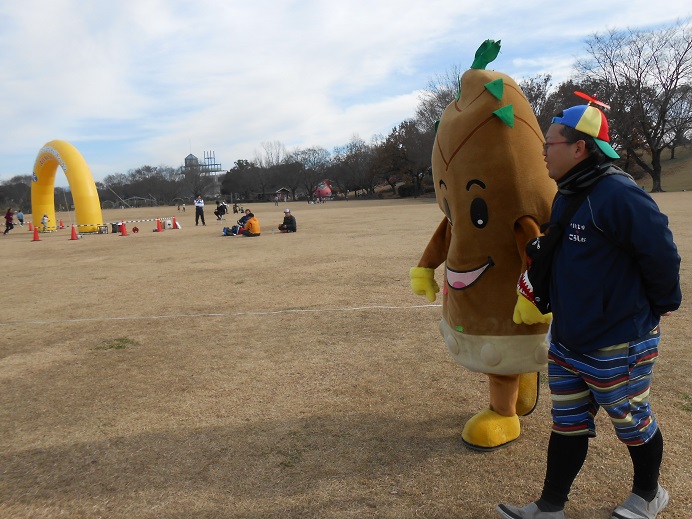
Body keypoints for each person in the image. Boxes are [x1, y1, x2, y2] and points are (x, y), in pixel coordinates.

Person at [498, 103, 682, 519]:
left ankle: (649, 495)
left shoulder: (619, 195)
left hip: (617, 340)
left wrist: (660, 306)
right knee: (567, 423)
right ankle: (549, 508)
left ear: (579, 148)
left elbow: (662, 257)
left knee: (632, 422)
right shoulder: (569, 191)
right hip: (568, 339)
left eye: (549, 143)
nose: (543, 151)